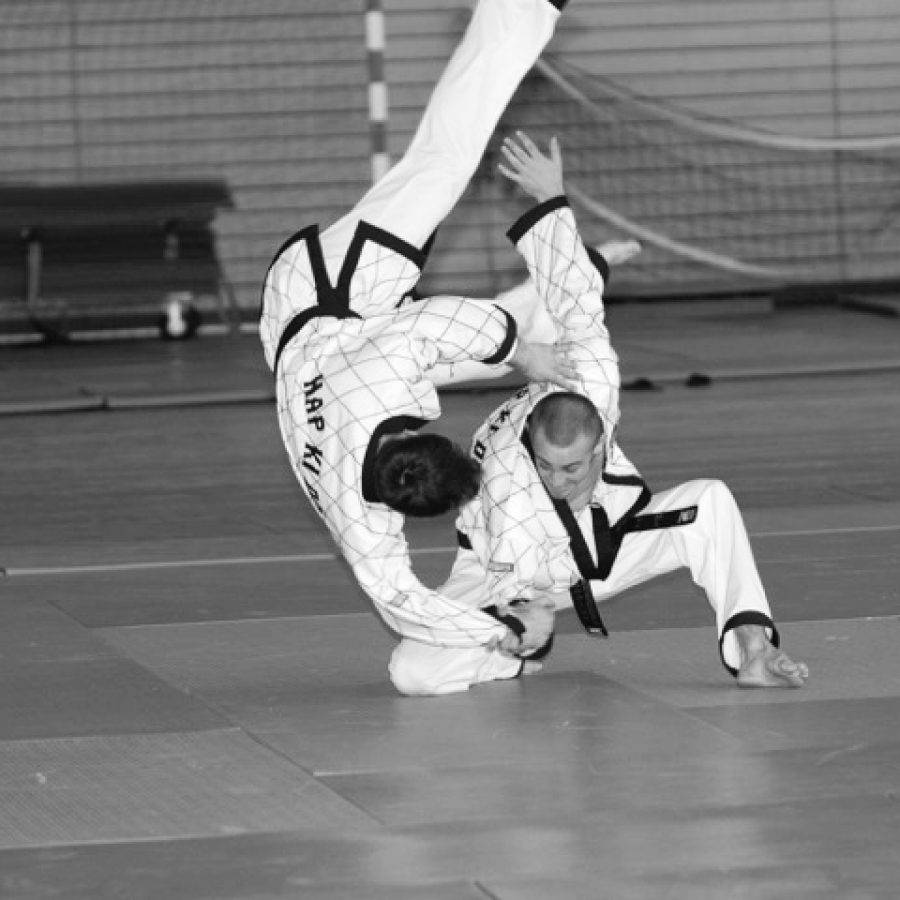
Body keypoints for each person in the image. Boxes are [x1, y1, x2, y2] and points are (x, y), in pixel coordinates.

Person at [388, 131, 810, 695]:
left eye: (573, 468)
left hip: (594, 548)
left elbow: (576, 304)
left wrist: (549, 197)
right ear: (531, 451)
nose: (560, 481)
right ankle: (502, 663)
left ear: (599, 444)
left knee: (710, 502)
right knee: (412, 673)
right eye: (547, 467)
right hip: (497, 568)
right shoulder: (514, 487)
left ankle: (754, 650)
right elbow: (521, 577)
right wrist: (522, 626)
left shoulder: (589, 379)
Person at [259, 0, 576, 655]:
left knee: (445, 160)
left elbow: (439, 321)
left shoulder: (383, 382)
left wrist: (524, 355)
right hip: (314, 346)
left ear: (415, 432)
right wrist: (499, 630)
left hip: (329, 291)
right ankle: (567, 281)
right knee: (479, 354)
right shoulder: (358, 518)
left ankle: (520, 9)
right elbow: (401, 602)